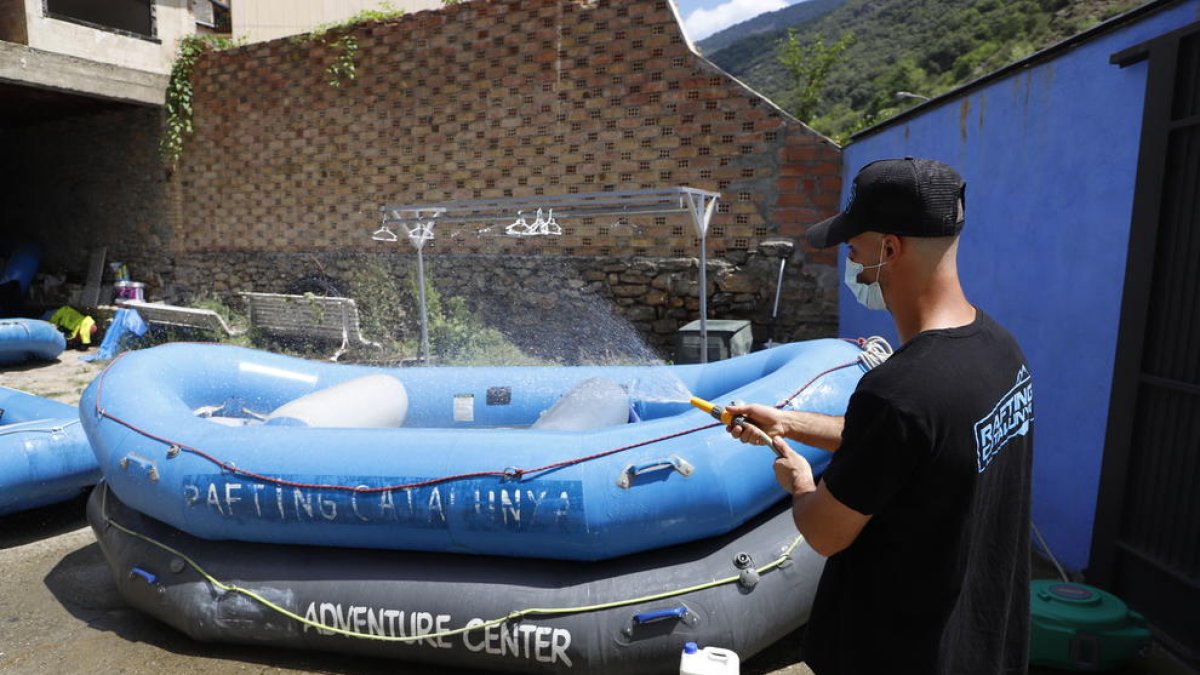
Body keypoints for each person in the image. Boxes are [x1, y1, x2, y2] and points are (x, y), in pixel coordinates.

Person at [727, 158, 1033, 674]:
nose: (850, 261)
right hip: (977, 644)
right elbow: (913, 448)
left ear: (889, 250)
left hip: (896, 653)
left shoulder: (899, 390)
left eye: (854, 249)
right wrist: (788, 423)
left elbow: (825, 532)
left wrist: (800, 482)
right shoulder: (1001, 350)